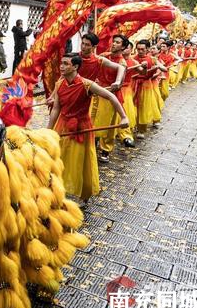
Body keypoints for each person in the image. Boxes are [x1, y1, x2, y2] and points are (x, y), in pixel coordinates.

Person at [48, 53, 128, 202]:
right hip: (63, 125)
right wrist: (48, 131)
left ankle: (82, 194)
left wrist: (123, 116)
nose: (61, 67)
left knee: (79, 161)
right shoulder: (59, 84)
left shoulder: (87, 85)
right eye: (61, 63)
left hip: (81, 127)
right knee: (58, 158)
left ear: (75, 66)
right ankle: (58, 190)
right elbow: (56, 109)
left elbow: (111, 96)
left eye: (66, 64)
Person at [92, 35, 127, 163]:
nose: (114, 44)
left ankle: (106, 150)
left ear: (123, 47)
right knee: (92, 120)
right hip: (96, 93)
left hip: (110, 96)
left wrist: (112, 85)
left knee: (109, 125)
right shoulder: (104, 55)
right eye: (114, 41)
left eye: (118, 43)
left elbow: (119, 85)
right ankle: (92, 144)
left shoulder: (122, 63)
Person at [117, 42, 141, 148]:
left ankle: (126, 135)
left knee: (125, 112)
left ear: (131, 50)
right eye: (124, 47)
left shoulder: (134, 62)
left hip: (126, 89)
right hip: (113, 89)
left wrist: (144, 67)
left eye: (127, 48)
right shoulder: (114, 59)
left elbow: (143, 72)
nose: (125, 50)